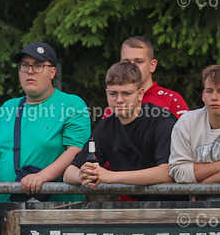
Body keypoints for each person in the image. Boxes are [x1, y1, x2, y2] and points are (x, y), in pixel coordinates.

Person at [0, 42, 90, 202]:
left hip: (57, 211)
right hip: (6, 210)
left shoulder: (72, 105)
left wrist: (43, 176)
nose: (30, 71)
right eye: (24, 65)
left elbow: (76, 151)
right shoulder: (8, 108)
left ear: (52, 72)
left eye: (38, 66)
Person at [63, 61, 176, 190]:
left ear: (140, 94)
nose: (119, 100)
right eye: (113, 94)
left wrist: (112, 177)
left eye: (126, 93)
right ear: (106, 93)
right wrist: (83, 176)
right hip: (127, 204)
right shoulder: (106, 127)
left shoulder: (162, 121)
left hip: (169, 203)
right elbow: (69, 172)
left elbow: (167, 172)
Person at [111, 36, 189, 118]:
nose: (132, 67)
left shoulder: (171, 101)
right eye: (126, 62)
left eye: (139, 61)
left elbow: (187, 130)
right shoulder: (117, 102)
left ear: (152, 65)